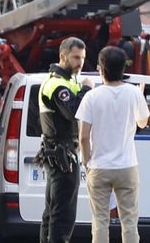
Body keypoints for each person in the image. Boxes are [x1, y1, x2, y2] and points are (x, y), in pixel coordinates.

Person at [76, 46, 150, 243]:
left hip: (99, 167)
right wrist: (140, 96)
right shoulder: (134, 93)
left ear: (101, 69)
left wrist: (87, 162)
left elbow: (83, 137)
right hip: (127, 166)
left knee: (100, 221)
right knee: (129, 221)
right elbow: (143, 122)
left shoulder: (91, 96)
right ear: (123, 69)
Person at [37, 37, 94, 243]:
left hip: (61, 153)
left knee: (53, 212)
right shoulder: (55, 84)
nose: (80, 62)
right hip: (61, 155)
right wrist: (87, 88)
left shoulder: (68, 82)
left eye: (83, 58)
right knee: (63, 214)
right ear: (63, 56)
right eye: (76, 57)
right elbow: (74, 111)